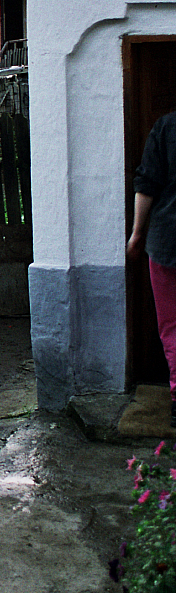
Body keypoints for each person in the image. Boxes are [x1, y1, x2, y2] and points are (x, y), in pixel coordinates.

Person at [128, 111, 176, 431]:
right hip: (165, 245)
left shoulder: (166, 127)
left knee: (173, 326)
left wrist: (137, 235)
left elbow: (146, 186)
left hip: (167, 244)